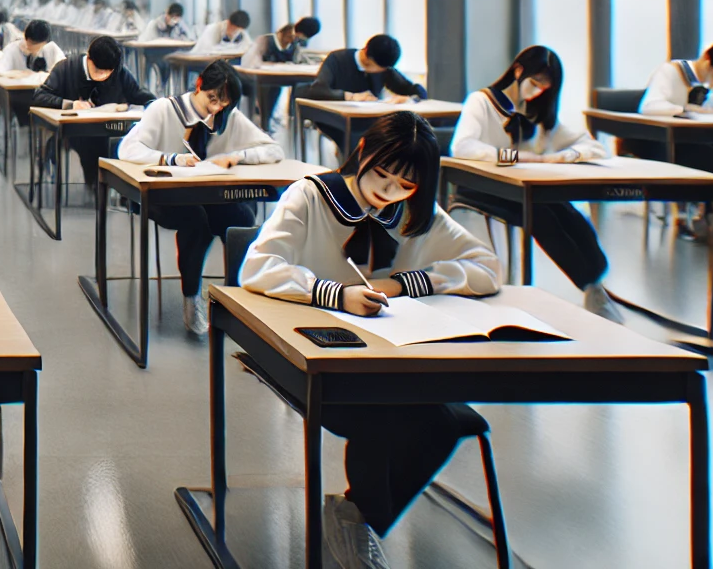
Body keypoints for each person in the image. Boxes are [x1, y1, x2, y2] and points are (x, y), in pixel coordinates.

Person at [240, 112, 500, 569]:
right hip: (313, 356)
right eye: (381, 174)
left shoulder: (415, 216)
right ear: (361, 153)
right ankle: (355, 523)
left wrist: (411, 283)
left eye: (405, 184)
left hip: (392, 356)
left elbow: (487, 268)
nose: (388, 191)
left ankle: (354, 516)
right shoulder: (312, 196)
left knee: (445, 423)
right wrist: (334, 293)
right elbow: (257, 267)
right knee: (385, 413)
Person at [449, 46, 619, 319]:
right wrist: (519, 157)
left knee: (570, 215)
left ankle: (595, 284)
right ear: (518, 71)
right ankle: (590, 286)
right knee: (542, 216)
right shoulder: (481, 102)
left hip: (524, 186)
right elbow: (462, 147)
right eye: (535, 82)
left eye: (544, 88)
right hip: (483, 186)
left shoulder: (535, 113)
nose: (538, 91)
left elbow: (595, 147)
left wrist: (567, 156)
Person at [118, 61, 283, 333]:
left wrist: (237, 156)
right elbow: (127, 148)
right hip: (163, 196)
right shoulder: (164, 109)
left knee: (240, 216)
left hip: (207, 192)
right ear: (199, 86)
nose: (217, 108)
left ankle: (236, 298)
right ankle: (191, 297)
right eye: (213, 99)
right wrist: (169, 158)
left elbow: (273, 149)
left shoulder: (229, 117)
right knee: (196, 220)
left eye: (225, 103)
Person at [634, 40, 713, 240]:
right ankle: (705, 218)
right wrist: (685, 110)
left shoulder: (710, 85)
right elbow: (648, 107)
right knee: (706, 157)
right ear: (707, 61)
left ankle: (712, 216)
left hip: (695, 139)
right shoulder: (671, 71)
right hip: (664, 142)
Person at [33, 36, 155, 187]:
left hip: (109, 130)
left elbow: (138, 94)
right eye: (98, 70)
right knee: (92, 147)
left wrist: (156, 106)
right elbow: (39, 96)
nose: (102, 76)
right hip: (76, 132)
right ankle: (97, 189)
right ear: (89, 59)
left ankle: (122, 192)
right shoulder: (66, 67)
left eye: (108, 72)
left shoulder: (118, 72)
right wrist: (70, 104)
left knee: (129, 145)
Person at [303, 34, 426, 152]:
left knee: (405, 136)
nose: (376, 72)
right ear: (366, 51)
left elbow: (416, 91)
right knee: (360, 140)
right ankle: (353, 171)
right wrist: (350, 96)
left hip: (370, 119)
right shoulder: (337, 59)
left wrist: (409, 99)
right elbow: (317, 90)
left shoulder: (384, 68)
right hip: (336, 118)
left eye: (381, 69)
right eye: (373, 66)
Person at [242, 16, 322, 128]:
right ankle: (264, 121)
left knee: (303, 85)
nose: (296, 40)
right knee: (271, 87)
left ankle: (296, 117)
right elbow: (252, 63)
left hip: (284, 76)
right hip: (261, 77)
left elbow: (297, 60)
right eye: (296, 36)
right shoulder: (266, 41)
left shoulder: (295, 44)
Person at [0, 20, 67, 76]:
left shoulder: (51, 49)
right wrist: (19, 74)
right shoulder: (12, 49)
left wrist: (39, 75)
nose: (30, 47)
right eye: (30, 43)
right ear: (25, 37)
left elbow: (63, 75)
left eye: (37, 45)